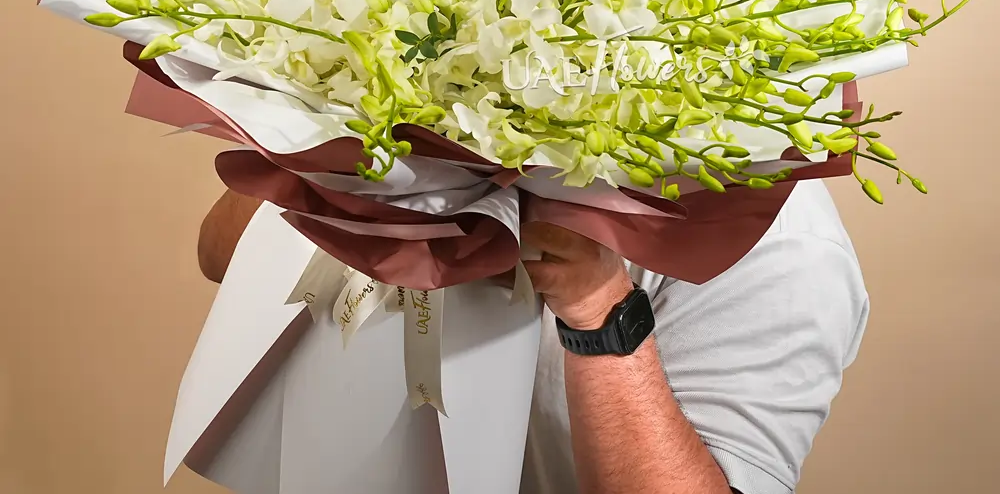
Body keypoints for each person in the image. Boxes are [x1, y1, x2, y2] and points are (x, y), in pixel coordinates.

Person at [199, 178, 868, 494]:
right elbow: (221, 257)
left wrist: (597, 304)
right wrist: (321, 167)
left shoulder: (784, 246)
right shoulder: (453, 116)